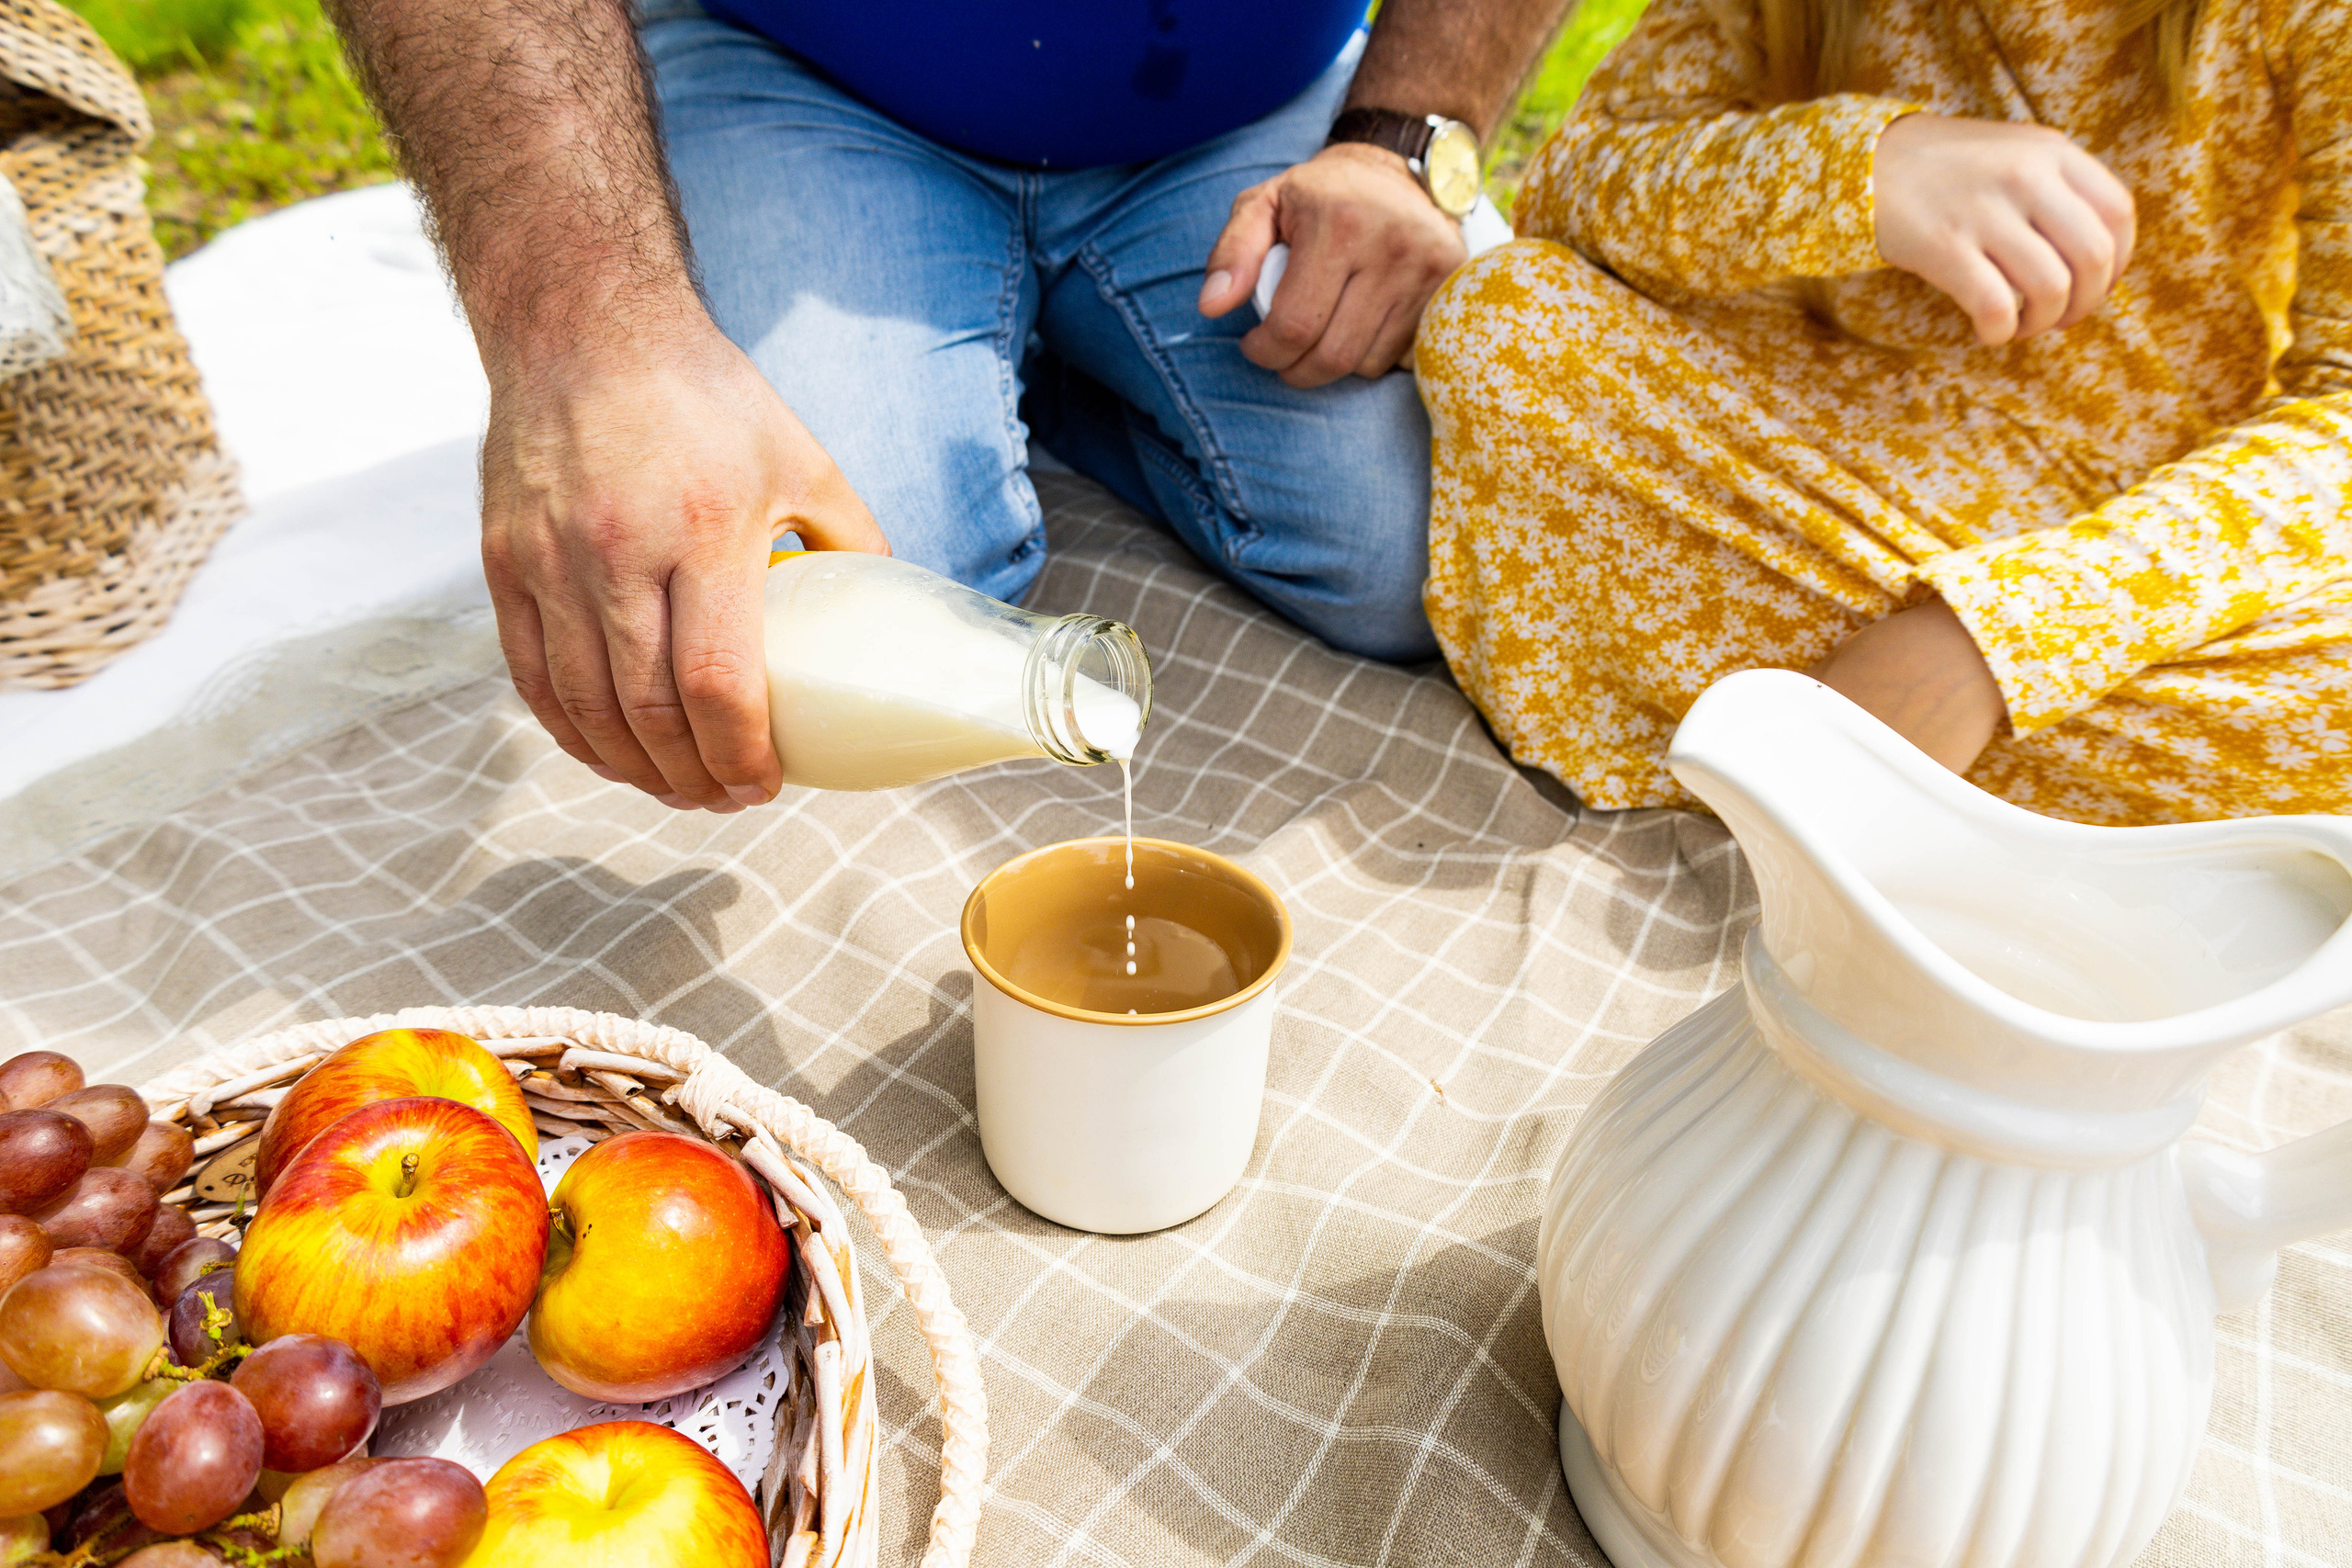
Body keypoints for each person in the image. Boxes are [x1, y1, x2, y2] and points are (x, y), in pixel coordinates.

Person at [322, 0, 1569, 812]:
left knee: (1439, 551)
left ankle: (1056, 356)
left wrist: (1407, 136)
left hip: (1257, 119)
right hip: (807, 73)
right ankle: (1004, 334)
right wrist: (588, 333)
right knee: (800, 597)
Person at [1415, 0, 2352, 826]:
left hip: (2154, 539)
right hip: (1809, 444)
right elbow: (1578, 186)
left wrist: (2005, 637)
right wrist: (1862, 170)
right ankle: (1928, 770)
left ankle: (1782, 717)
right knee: (1506, 325)